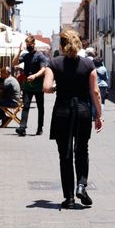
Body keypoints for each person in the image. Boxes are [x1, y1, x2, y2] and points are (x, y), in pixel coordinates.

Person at [41, 29, 103, 209]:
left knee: (65, 155)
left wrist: (55, 89)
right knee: (82, 150)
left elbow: (46, 87)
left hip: (62, 112)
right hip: (83, 112)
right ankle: (81, 185)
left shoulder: (54, 63)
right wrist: (99, 115)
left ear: (61, 45)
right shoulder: (88, 64)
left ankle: (68, 198)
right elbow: (96, 92)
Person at [12, 35, 49, 136]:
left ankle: (40, 127)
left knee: (40, 107)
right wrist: (19, 51)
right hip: (28, 84)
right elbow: (14, 63)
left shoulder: (40, 55)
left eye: (30, 45)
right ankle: (22, 127)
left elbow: (43, 69)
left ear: (34, 44)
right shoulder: (26, 55)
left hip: (38, 84)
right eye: (27, 45)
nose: (28, 46)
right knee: (26, 106)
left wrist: (35, 75)